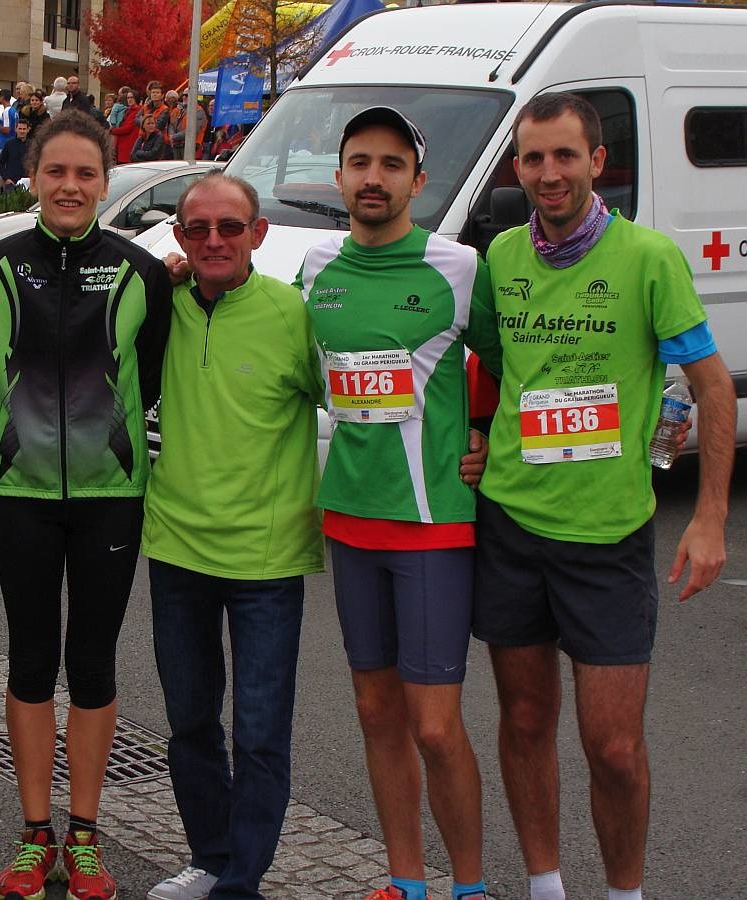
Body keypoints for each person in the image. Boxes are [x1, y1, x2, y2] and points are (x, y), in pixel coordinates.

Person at [473, 91, 736, 900]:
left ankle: (626, 893)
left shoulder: (647, 257)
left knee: (614, 747)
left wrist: (711, 515)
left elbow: (713, 385)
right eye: (533, 158)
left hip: (607, 536)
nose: (548, 173)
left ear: (597, 162)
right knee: (523, 724)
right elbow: (485, 367)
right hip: (512, 526)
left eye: (564, 156)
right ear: (516, 168)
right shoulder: (502, 257)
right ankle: (545, 885)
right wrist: (477, 439)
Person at [0, 110, 172, 900]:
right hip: (20, 497)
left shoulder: (139, 273)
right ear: (33, 173)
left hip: (110, 499)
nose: (71, 186)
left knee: (91, 663)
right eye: (56, 172)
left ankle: (84, 836)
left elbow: (148, 384)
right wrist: (17, 443)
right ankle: (33, 834)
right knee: (27, 660)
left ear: (107, 182)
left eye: (86, 174)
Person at [297, 106, 502, 900]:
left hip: (431, 525)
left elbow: (510, 360)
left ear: (417, 180)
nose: (373, 177)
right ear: (339, 176)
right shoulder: (315, 267)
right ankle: (406, 882)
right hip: (350, 516)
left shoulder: (459, 266)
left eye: (390, 164)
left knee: (435, 726)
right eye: (359, 162)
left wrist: (486, 432)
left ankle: (470, 888)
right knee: (376, 714)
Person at [143, 171, 326, 900]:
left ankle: (240, 883)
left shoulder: (295, 314)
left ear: (260, 233)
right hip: (176, 549)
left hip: (267, 559)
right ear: (180, 237)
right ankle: (212, 856)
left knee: (258, 733)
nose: (214, 240)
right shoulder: (158, 306)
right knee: (190, 724)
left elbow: (360, 405)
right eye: (198, 229)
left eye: (230, 227)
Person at [0, 119, 31, 190]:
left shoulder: (33, 145)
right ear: (16, 129)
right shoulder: (9, 144)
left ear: (28, 130)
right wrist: (6, 178)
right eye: (20, 129)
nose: (22, 131)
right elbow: (1, 163)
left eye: (24, 129)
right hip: (11, 183)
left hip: (28, 182)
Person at [109, 90, 140, 164]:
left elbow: (127, 128)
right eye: (128, 98)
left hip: (129, 146)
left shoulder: (137, 111)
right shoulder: (127, 110)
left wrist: (112, 130)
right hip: (122, 147)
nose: (129, 99)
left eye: (132, 97)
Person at [0, 88, 19, 154]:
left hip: (5, 144)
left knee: (2, 164)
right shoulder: (14, 110)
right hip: (12, 142)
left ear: (2, 97)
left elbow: (7, 130)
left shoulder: (6, 111)